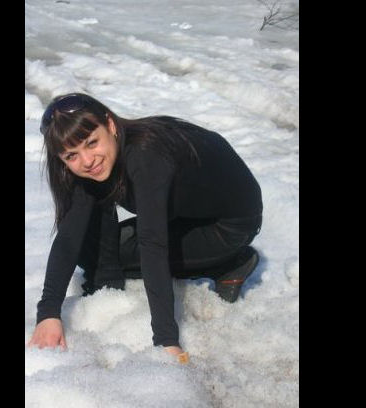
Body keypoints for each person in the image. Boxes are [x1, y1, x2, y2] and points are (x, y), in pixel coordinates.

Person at [27, 93, 263, 360]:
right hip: (188, 213)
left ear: (110, 124)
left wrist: (166, 341)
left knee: (130, 252)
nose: (87, 160)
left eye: (92, 142)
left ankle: (232, 263)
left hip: (227, 226)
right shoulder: (106, 155)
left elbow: (153, 245)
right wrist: (48, 315)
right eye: (71, 155)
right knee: (86, 248)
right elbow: (70, 237)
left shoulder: (146, 156)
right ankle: (107, 285)